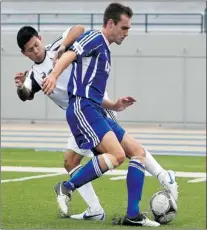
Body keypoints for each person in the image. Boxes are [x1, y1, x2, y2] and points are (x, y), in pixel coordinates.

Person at [42, 3, 178, 227]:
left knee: (137, 153)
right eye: (124, 28)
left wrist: (114, 105)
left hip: (97, 109)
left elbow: (95, 92)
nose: (127, 33)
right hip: (82, 108)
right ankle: (67, 186)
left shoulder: (105, 50)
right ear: (111, 23)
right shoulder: (95, 37)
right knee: (116, 156)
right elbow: (69, 54)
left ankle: (132, 215)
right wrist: (54, 75)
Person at [15, 25, 136, 221]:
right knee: (71, 162)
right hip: (79, 115)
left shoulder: (56, 46)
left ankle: (161, 182)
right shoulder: (34, 75)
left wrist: (64, 46)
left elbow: (79, 29)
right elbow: (26, 95)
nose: (36, 51)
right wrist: (21, 87)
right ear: (24, 53)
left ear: (40, 38)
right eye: (30, 50)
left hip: (93, 105)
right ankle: (95, 209)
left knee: (126, 153)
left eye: (36, 45)